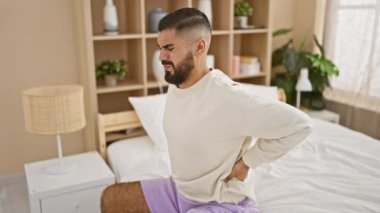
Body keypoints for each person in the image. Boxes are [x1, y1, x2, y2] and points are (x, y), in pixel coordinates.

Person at [101, 8, 313, 213]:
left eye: (169, 48)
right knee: (111, 198)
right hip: (179, 192)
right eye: (160, 47)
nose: (161, 56)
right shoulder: (177, 82)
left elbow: (301, 125)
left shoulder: (230, 97)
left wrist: (247, 162)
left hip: (223, 202)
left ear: (199, 48)